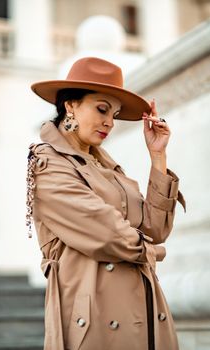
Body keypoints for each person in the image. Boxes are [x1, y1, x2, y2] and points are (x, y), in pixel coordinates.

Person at [26, 57, 186, 350]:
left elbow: (154, 229)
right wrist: (152, 252)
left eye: (115, 113)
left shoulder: (106, 166)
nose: (110, 122)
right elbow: (108, 233)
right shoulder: (47, 163)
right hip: (94, 319)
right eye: (102, 109)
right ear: (70, 105)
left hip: (144, 309)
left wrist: (158, 157)